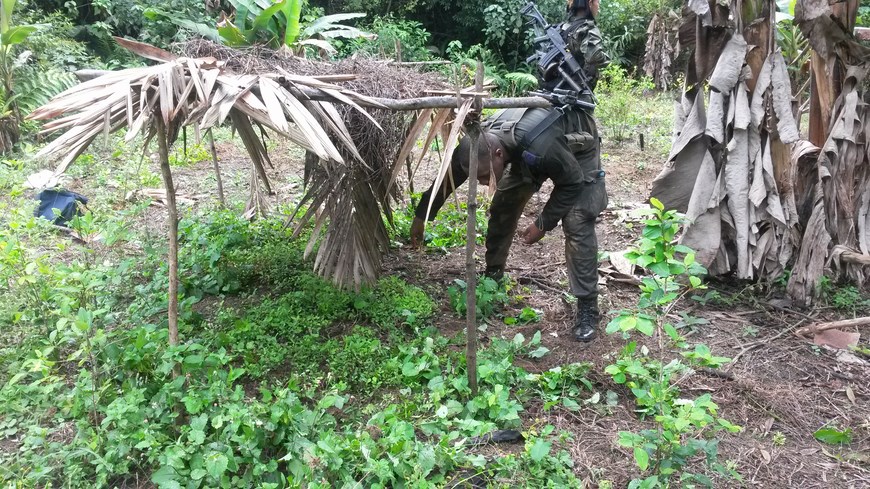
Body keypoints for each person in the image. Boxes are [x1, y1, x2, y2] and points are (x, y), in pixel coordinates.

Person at [410, 104, 606, 342]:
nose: (483, 183)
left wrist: (543, 223)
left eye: (484, 176)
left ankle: (587, 307)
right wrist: (422, 215)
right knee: (503, 204)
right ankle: (493, 274)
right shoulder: (476, 146)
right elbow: (447, 181)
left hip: (575, 149)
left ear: (498, 155)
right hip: (530, 150)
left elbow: (572, 182)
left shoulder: (540, 147)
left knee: (577, 220)